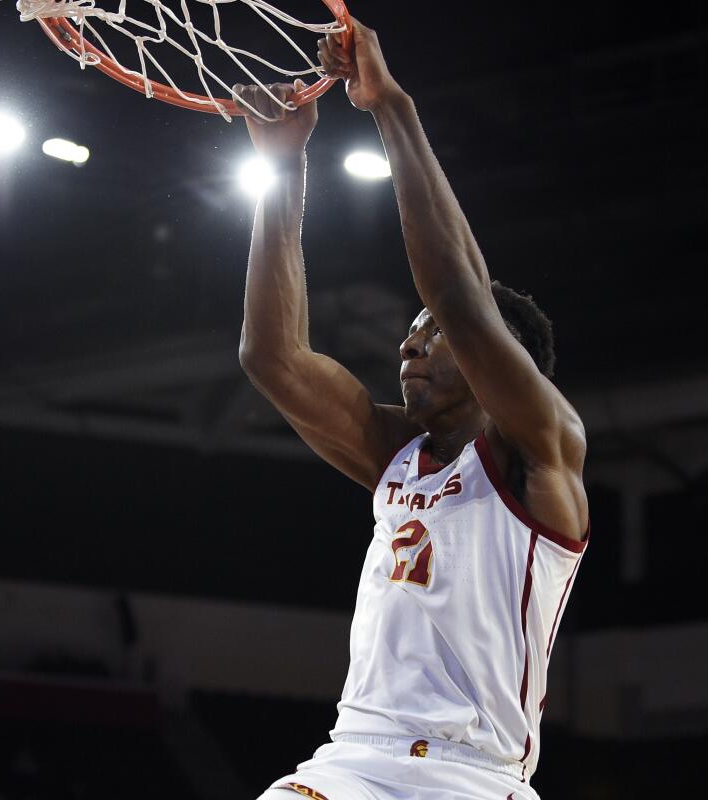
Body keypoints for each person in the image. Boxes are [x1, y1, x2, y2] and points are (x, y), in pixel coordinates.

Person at [234, 17, 589, 800]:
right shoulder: (395, 450)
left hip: (468, 777)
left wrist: (389, 104)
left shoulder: (541, 451)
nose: (408, 348)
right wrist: (284, 167)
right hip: (352, 757)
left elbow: (460, 296)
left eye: (429, 337)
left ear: (505, 362)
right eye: (408, 336)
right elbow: (273, 359)